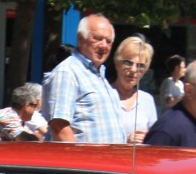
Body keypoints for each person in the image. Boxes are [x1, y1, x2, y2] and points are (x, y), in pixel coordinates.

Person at [42, 14, 121, 143]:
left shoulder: (99, 74)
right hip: (86, 161)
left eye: (108, 41)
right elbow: (59, 127)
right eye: (97, 38)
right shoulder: (67, 72)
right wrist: (80, 160)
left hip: (108, 160)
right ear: (80, 39)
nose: (103, 45)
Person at [112, 35, 158, 144]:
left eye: (140, 65)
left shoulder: (147, 100)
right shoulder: (105, 95)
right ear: (117, 63)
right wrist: (125, 141)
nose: (133, 70)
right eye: (128, 63)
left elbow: (155, 138)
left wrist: (147, 138)